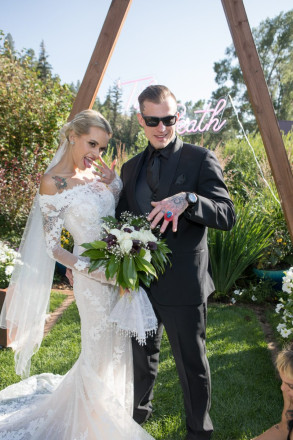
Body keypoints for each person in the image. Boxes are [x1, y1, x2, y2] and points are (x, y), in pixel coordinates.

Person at [0, 110, 154, 440]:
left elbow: (112, 209)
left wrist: (113, 181)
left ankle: (109, 418)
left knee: (118, 351)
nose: (96, 154)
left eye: (102, 147)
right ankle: (90, 428)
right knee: (98, 352)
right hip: (92, 281)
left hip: (120, 274)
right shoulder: (52, 182)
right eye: (92, 144)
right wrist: (91, 271)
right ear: (73, 136)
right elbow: (53, 247)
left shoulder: (98, 175)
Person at [116, 85, 236, 440]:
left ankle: (199, 432)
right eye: (153, 120)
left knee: (190, 365)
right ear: (141, 120)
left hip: (184, 284)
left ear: (177, 116)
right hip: (140, 282)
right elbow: (125, 216)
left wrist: (190, 198)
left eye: (168, 119)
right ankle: (137, 419)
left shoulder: (199, 158)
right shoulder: (130, 167)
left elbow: (227, 215)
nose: (162, 127)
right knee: (142, 358)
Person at [252, 343, 293, 440]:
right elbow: (283, 429)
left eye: (290, 386)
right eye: (283, 382)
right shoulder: (289, 395)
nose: (282, 388)